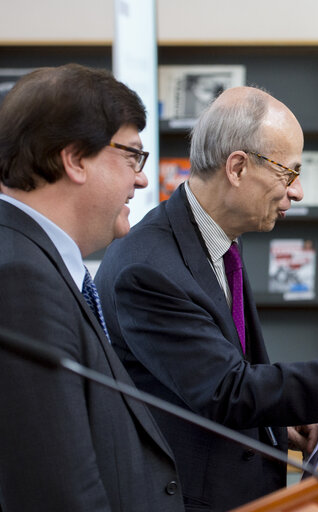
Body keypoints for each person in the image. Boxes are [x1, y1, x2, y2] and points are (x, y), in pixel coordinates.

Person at [95, 85, 318, 512]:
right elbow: (226, 390)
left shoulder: (218, 241)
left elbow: (227, 370)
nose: (296, 192)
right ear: (237, 167)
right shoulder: (148, 267)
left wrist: (275, 426)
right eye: (288, 173)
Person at [0, 64, 183, 511]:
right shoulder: (19, 278)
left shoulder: (38, 262)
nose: (141, 179)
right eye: (132, 157)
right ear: (76, 158)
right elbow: (54, 493)